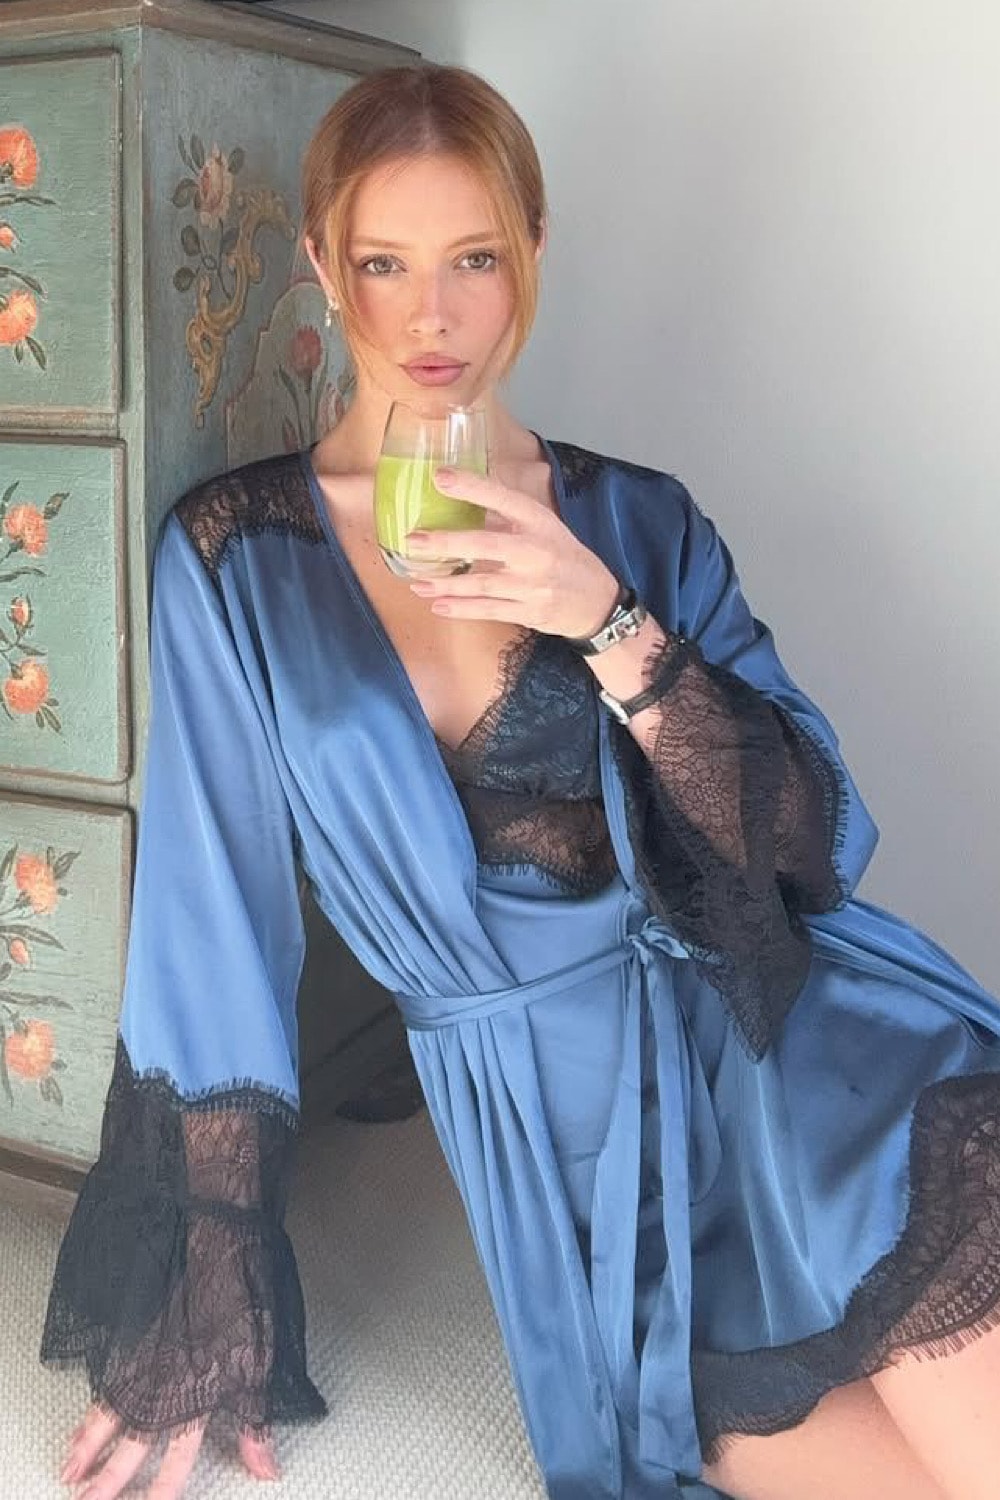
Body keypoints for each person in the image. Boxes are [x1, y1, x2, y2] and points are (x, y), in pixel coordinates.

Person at [42, 62, 1000, 1500]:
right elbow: (212, 922)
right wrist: (203, 1294)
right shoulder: (234, 558)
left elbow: (807, 847)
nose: (430, 316)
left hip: (785, 1053)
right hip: (551, 1144)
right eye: (385, 263)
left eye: (475, 259)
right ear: (323, 268)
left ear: (533, 253)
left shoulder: (638, 522)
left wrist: (605, 622)